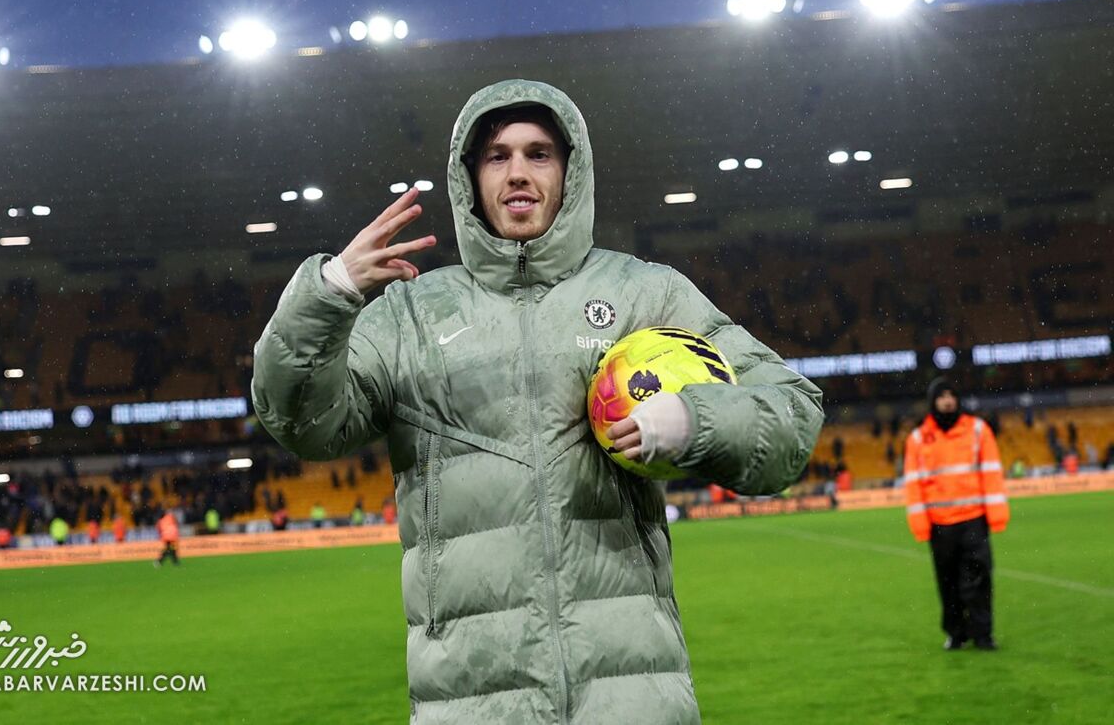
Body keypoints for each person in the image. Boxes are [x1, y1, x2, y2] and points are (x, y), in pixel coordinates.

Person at [251, 79, 823, 723]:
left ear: (569, 172)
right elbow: (303, 423)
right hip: (471, 700)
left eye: (539, 154)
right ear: (470, 179)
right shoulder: (409, 315)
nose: (518, 172)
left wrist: (697, 419)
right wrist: (327, 296)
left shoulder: (645, 295)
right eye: (497, 156)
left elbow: (792, 413)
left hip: (632, 693)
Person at [903, 377, 1009, 651]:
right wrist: (919, 524)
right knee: (947, 583)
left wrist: (996, 515)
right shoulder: (918, 438)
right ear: (933, 402)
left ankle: (983, 634)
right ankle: (956, 634)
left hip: (973, 520)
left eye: (951, 395)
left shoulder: (978, 430)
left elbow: (991, 473)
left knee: (980, 579)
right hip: (940, 525)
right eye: (942, 396)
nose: (947, 401)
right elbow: (913, 484)